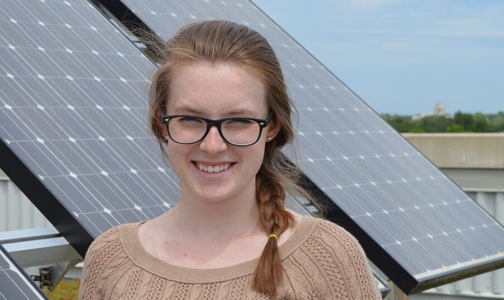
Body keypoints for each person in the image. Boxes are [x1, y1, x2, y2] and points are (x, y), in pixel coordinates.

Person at [78, 20, 380, 299]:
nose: (212, 145)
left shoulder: (327, 256)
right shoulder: (110, 257)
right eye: (190, 119)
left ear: (272, 126)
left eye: (238, 121)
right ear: (162, 123)